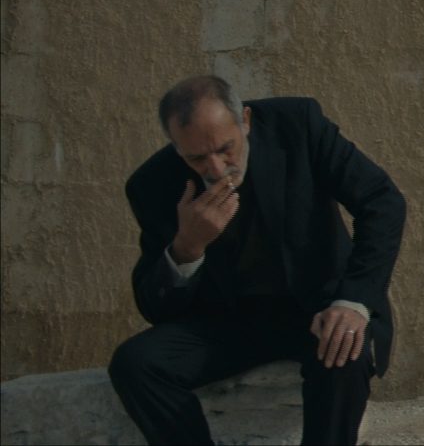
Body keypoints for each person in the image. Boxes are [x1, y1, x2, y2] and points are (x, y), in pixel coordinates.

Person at [108, 75, 406, 445]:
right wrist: (187, 248)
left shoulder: (297, 125)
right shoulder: (153, 184)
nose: (215, 168)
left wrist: (354, 300)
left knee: (346, 348)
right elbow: (155, 307)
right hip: (228, 323)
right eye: (196, 158)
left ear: (245, 121)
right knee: (136, 364)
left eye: (225, 149)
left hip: (318, 307)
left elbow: (382, 201)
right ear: (175, 147)